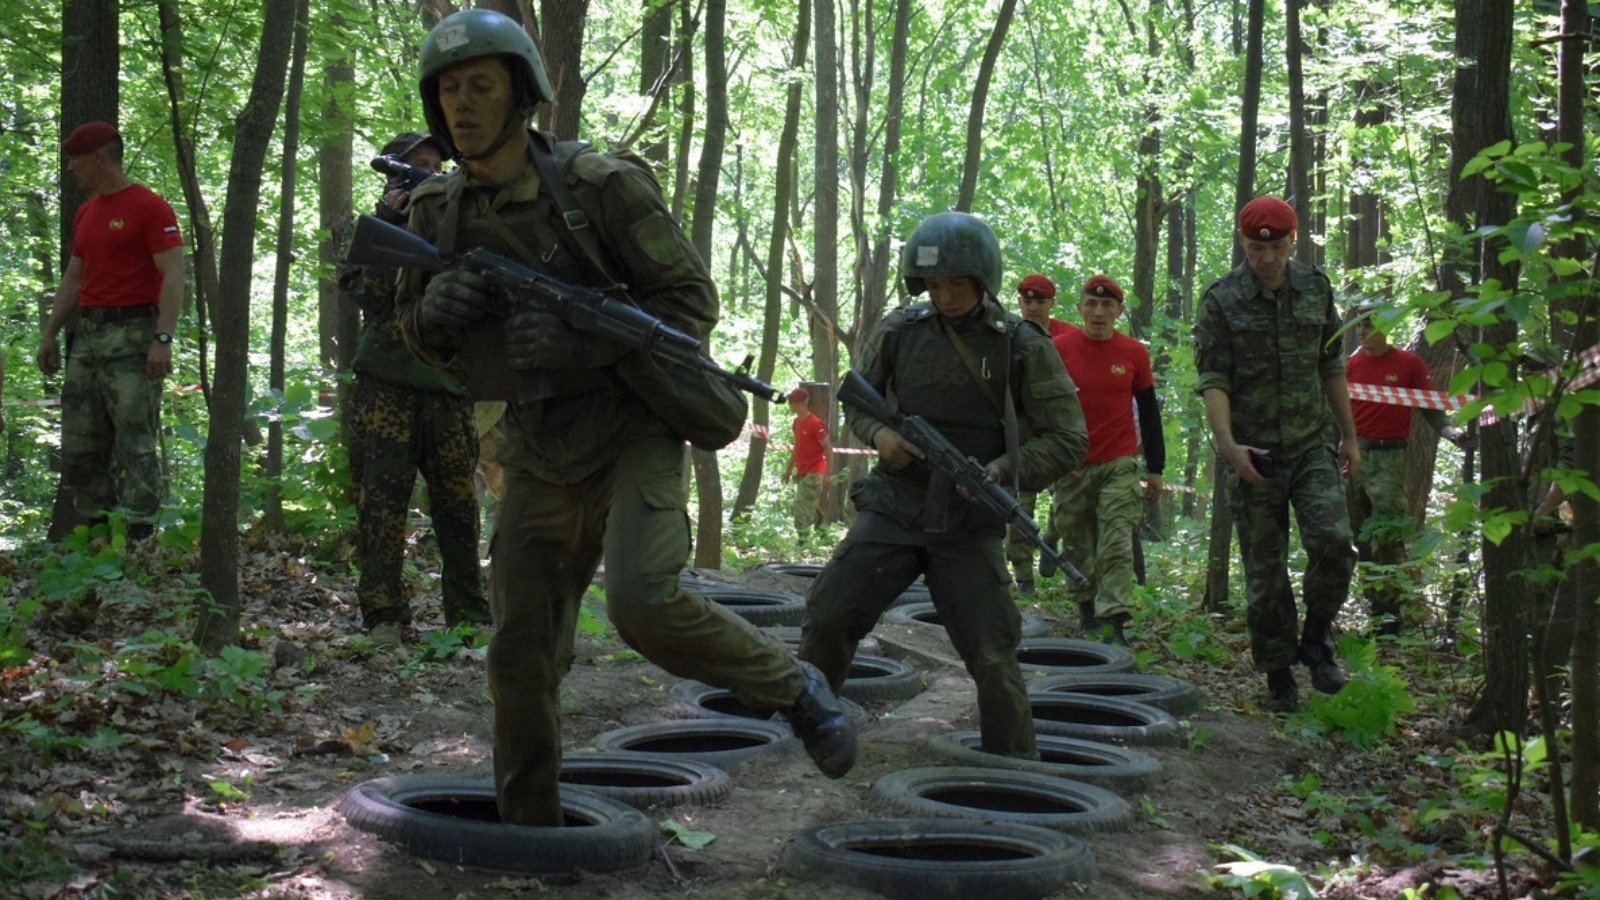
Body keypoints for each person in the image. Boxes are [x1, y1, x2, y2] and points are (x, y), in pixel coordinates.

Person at [393, 9, 854, 826]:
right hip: (537, 445)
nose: (462, 105)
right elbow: (417, 338)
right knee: (521, 651)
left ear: (521, 94)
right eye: (450, 90)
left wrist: (586, 339)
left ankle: (795, 687)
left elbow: (691, 305)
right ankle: (529, 833)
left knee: (643, 602)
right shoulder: (436, 211)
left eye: (481, 87)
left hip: (633, 425)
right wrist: (435, 311)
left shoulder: (600, 188)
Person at [798, 211, 1088, 760]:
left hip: (970, 517)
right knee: (830, 614)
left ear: (983, 282)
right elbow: (857, 402)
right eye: (934, 284)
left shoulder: (1022, 344)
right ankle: (804, 729)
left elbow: (1070, 439)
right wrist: (882, 434)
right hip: (895, 502)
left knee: (993, 649)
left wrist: (1001, 470)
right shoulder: (899, 331)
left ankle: (1013, 766)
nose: (946, 294)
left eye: (957, 283)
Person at [1192, 195, 1357, 714]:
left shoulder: (1316, 288)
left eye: (1278, 247)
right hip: (1254, 452)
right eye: (1256, 248)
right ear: (1243, 243)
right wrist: (1227, 445)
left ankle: (1316, 638)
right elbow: (1213, 378)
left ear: (1293, 241)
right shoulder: (1221, 300)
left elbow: (1331, 366)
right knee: (1265, 576)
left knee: (1334, 542)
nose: (1267, 258)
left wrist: (1348, 435)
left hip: (1310, 444)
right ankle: (1278, 675)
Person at [339, 130, 490, 648]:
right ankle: (383, 616)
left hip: (449, 387)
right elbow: (373, 299)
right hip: (387, 387)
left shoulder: (462, 230)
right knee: (381, 504)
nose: (429, 173)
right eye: (416, 166)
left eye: (435, 166)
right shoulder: (366, 231)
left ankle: (469, 616)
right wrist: (390, 222)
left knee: (458, 506)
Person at [36, 121, 184, 544]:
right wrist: (50, 333)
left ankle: (141, 541)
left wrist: (163, 338)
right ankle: (97, 538)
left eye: (75, 159)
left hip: (135, 334)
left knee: (136, 443)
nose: (70, 169)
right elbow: (74, 277)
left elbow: (173, 274)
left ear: (98, 157)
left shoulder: (149, 206)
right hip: (88, 338)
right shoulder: (86, 212)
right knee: (79, 445)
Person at [1048, 274, 1165, 645]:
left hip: (1120, 462)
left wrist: (1156, 469)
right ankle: (1086, 612)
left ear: (1118, 311)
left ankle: (1114, 621)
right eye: (1092, 304)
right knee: (1077, 541)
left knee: (1116, 540)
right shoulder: (1059, 348)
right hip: (1072, 462)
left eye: (1107, 305)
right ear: (1080, 307)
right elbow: (1041, 406)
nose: (1099, 312)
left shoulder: (1134, 353)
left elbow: (1149, 413)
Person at [1344, 300, 1470, 636]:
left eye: (1369, 324)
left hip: (1389, 459)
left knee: (1387, 535)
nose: (1362, 330)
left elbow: (1430, 406)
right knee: (1359, 538)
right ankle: (1374, 613)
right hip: (1352, 459)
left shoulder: (1408, 364)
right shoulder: (1348, 365)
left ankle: (1393, 619)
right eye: (1358, 325)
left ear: (1386, 325)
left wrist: (1451, 433)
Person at [1005, 273, 1071, 594]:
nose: (1033, 307)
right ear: (1019, 302)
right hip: (1022, 439)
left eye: (1040, 301)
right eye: (1027, 301)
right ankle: (1024, 578)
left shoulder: (1068, 338)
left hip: (1059, 437)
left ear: (1051, 304)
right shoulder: (1006, 336)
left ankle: (1051, 539)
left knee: (1067, 505)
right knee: (1020, 511)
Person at [780, 386, 830, 541]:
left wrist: (828, 474)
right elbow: (797, 447)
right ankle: (823, 534)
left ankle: (803, 541)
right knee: (811, 505)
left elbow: (828, 447)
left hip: (814, 472)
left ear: (800, 403)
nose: (789, 405)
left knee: (801, 506)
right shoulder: (796, 423)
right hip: (802, 471)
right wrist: (789, 470)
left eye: (791, 402)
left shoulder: (815, 424)